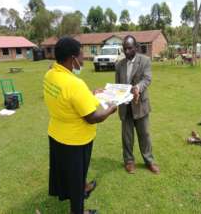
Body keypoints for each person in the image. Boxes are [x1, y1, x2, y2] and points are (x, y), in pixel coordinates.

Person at [43, 37, 117, 214]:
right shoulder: (74, 84)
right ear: (72, 58)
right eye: (81, 54)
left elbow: (69, 99)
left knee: (70, 174)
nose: (83, 58)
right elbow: (93, 117)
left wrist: (91, 93)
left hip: (57, 135)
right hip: (75, 142)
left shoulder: (50, 74)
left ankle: (83, 186)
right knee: (75, 178)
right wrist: (112, 108)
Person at [115, 35, 159, 174]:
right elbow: (117, 85)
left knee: (144, 135)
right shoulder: (119, 65)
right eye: (124, 49)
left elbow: (147, 78)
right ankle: (129, 161)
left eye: (129, 48)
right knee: (127, 137)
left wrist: (138, 88)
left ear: (136, 48)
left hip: (140, 105)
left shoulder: (145, 60)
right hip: (125, 106)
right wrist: (113, 96)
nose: (126, 52)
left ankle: (149, 161)